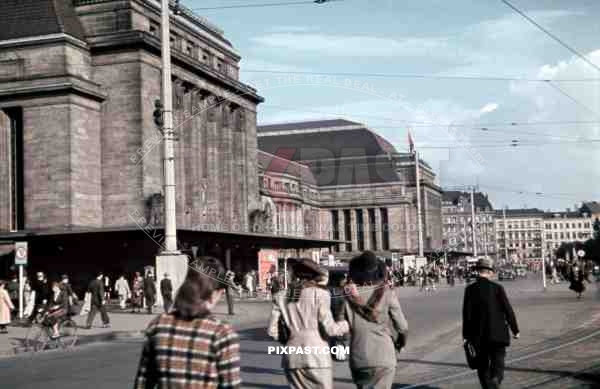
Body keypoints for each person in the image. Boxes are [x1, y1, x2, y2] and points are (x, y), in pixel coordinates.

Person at [134, 257, 241, 388]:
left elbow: (142, 383)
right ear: (214, 293)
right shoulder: (221, 333)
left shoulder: (158, 325)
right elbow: (231, 385)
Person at [268, 258, 349, 389]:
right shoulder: (321, 294)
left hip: (292, 356)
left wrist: (290, 340)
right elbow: (330, 329)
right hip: (317, 357)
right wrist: (345, 324)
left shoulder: (281, 296)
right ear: (315, 276)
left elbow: (272, 331)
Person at [341, 251, 408, 389]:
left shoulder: (347, 295)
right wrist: (400, 343)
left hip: (358, 358)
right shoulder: (387, 293)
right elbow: (402, 327)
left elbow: (341, 329)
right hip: (384, 356)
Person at [463, 257, 520, 389]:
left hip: (478, 336)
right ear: (489, 272)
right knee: (498, 364)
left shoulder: (470, 290)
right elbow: (508, 310)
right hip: (497, 334)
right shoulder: (497, 288)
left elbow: (466, 315)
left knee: (482, 367)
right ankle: (495, 380)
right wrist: (515, 330)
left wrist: (466, 336)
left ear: (478, 271)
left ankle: (489, 385)